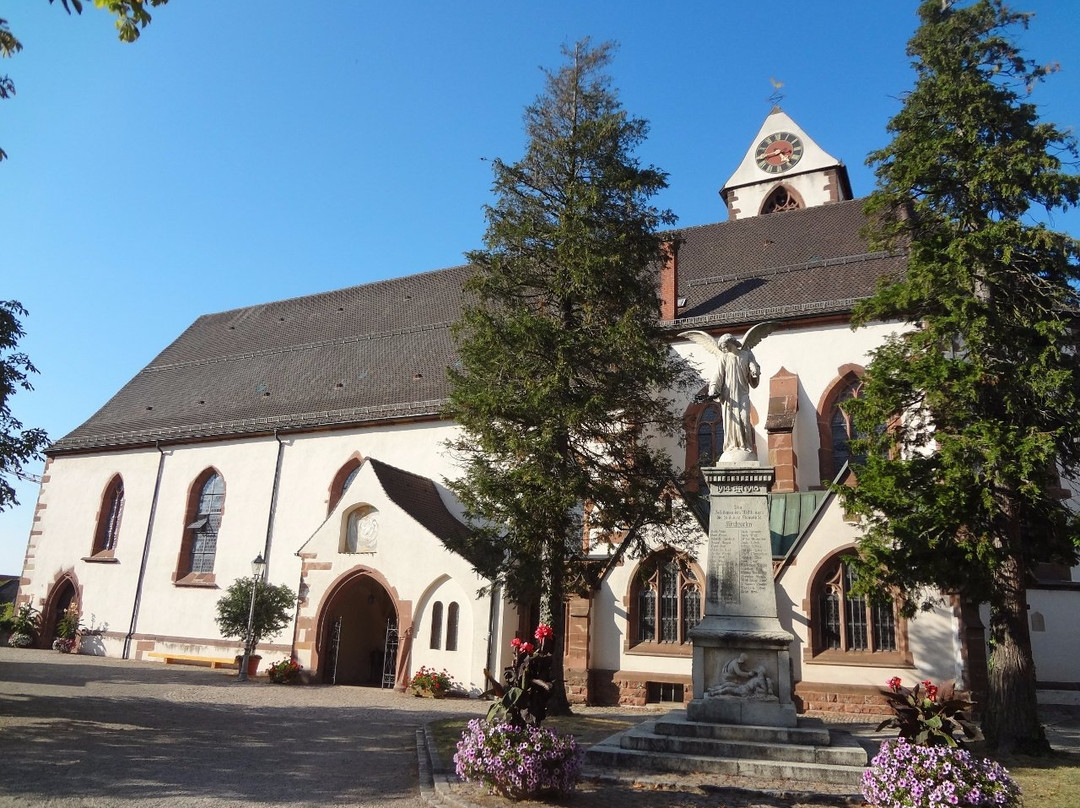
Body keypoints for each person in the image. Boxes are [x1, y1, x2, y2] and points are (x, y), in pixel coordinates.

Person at [708, 334, 760, 455]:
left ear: (730, 343)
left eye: (724, 347)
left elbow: (754, 366)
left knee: (745, 419)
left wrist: (754, 371)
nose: (723, 350)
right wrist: (713, 389)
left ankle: (746, 446)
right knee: (731, 422)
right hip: (729, 397)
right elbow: (718, 376)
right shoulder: (724, 358)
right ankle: (732, 446)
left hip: (742, 394)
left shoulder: (746, 355)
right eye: (721, 348)